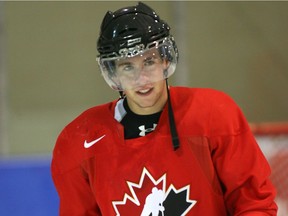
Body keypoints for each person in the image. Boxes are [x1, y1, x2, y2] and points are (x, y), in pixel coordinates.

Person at [51, 2, 278, 215]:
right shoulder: (80, 141)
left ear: (165, 60)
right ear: (114, 74)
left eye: (148, 61)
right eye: (127, 67)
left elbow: (254, 204)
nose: (141, 78)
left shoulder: (213, 114)